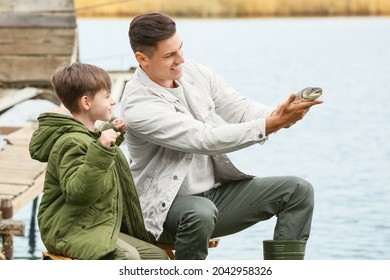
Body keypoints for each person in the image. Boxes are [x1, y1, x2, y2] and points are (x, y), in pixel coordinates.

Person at [120, 13, 323, 260]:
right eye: (169, 55)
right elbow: (205, 139)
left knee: (298, 191)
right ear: (142, 59)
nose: (181, 59)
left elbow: (239, 108)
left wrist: (279, 114)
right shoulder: (138, 105)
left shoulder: (193, 72)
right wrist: (270, 125)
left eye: (180, 48)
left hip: (213, 198)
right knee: (200, 212)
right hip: (161, 212)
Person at [29, 62, 168, 260]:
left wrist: (112, 135)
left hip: (94, 225)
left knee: (157, 257)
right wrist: (102, 149)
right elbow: (79, 193)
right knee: (129, 259)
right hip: (69, 230)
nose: (113, 101)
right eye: (107, 96)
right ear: (86, 103)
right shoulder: (70, 142)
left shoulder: (86, 136)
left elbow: (89, 151)